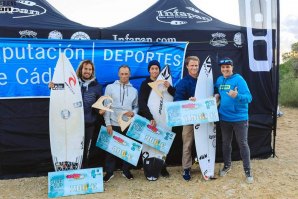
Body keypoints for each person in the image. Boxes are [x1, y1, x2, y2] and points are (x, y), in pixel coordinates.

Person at [49, 60, 105, 168]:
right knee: (71, 148)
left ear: (92, 71)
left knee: (84, 150)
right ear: (81, 69)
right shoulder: (71, 83)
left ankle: (83, 172)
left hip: (88, 124)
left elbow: (98, 106)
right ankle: (70, 171)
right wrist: (52, 86)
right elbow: (60, 93)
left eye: (90, 69)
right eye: (85, 69)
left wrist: (100, 111)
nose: (87, 71)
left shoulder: (97, 87)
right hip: (72, 123)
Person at [214, 57, 254, 184]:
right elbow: (216, 91)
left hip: (239, 118)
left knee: (242, 143)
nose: (225, 69)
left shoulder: (239, 79)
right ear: (221, 69)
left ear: (232, 68)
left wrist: (237, 96)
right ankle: (227, 166)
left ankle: (248, 171)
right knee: (226, 143)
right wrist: (216, 95)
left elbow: (249, 98)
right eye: (223, 67)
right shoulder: (219, 80)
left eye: (228, 67)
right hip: (224, 117)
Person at [138, 60, 175, 180]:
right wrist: (150, 117)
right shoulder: (145, 84)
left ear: (159, 71)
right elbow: (142, 103)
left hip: (163, 118)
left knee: (162, 142)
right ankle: (148, 167)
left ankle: (162, 166)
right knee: (149, 143)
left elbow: (174, 96)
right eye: (152, 68)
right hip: (150, 119)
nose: (154, 71)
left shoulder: (165, 83)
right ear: (149, 70)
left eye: (156, 69)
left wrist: (169, 88)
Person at [103, 64, 138, 182]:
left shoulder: (134, 90)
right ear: (118, 74)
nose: (124, 76)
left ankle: (126, 170)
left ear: (130, 74)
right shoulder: (110, 87)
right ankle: (109, 172)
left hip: (127, 124)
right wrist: (108, 123)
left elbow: (136, 107)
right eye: (122, 74)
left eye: (126, 74)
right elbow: (106, 106)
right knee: (111, 149)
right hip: (113, 123)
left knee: (127, 149)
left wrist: (133, 113)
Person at [173, 56, 200, 181]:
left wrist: (215, 95)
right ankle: (186, 168)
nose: (194, 67)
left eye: (196, 65)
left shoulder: (204, 80)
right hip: (189, 118)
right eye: (192, 65)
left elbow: (214, 92)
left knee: (204, 142)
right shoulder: (183, 82)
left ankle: (205, 164)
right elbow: (177, 100)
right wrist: (188, 101)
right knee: (188, 143)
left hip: (204, 118)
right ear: (187, 66)